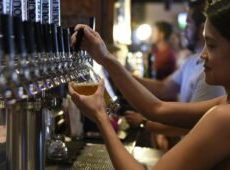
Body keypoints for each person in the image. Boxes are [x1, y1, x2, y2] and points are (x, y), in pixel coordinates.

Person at [69, 0, 230, 168]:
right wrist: (105, 58)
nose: (202, 54)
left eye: (211, 45)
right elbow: (156, 108)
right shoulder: (223, 102)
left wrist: (100, 116)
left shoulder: (223, 117)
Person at [125, 0, 225, 139]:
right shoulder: (192, 61)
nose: (184, 29)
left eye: (188, 23)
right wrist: (125, 75)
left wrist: (144, 122)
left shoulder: (210, 72)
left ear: (202, 28)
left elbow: (190, 125)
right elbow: (163, 87)